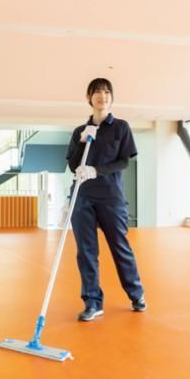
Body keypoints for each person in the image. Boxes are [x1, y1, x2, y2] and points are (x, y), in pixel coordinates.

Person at [66, 78, 146, 322]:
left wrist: (96, 170)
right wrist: (82, 143)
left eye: (106, 92)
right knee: (86, 252)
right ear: (88, 98)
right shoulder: (80, 132)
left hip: (111, 197)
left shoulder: (120, 127)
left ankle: (136, 294)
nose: (102, 96)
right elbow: (73, 165)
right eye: (97, 92)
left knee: (120, 247)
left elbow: (124, 161)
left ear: (111, 97)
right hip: (83, 198)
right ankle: (92, 302)